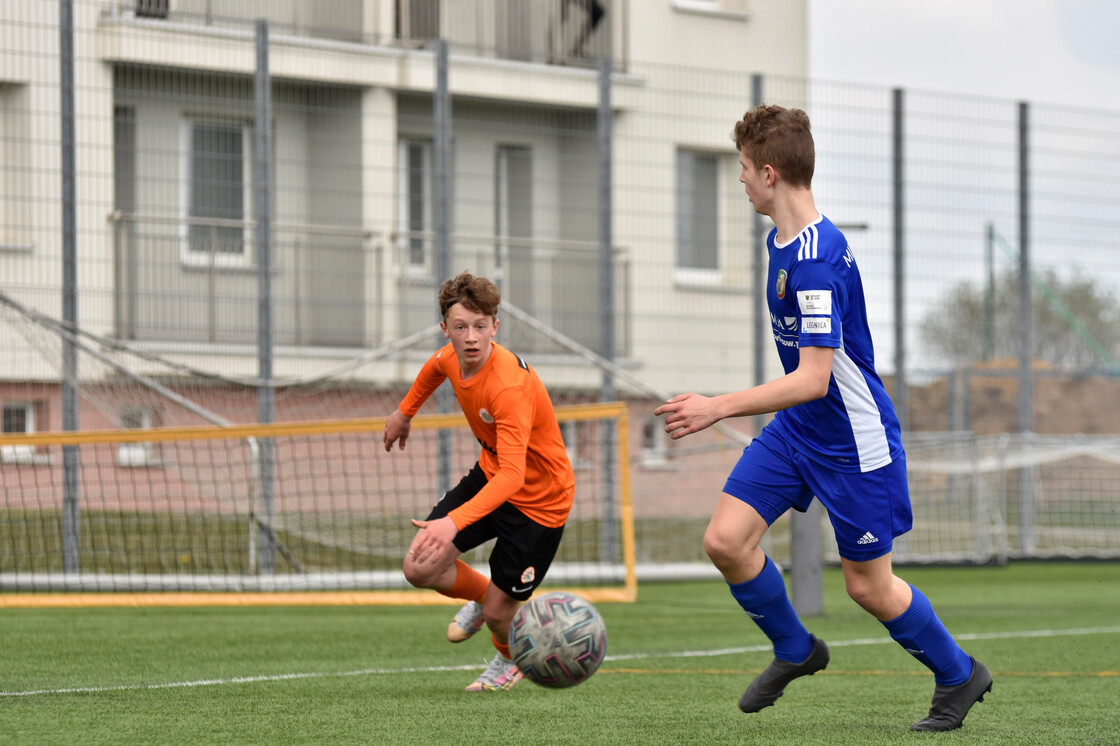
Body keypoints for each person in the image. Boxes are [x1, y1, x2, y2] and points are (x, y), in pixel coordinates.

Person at [655, 105, 993, 731]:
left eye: (742, 170)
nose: (739, 181)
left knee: (867, 588)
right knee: (725, 541)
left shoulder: (813, 260)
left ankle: (958, 674)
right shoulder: (780, 240)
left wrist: (716, 406)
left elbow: (813, 380)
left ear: (770, 172)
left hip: (851, 440)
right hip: (798, 432)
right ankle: (795, 649)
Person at [383, 271, 575, 692]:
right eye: (460, 327)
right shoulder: (451, 355)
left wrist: (453, 522)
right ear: (445, 329)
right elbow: (434, 368)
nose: (471, 337)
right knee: (420, 565)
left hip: (539, 505)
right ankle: (484, 597)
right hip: (492, 477)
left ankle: (512, 660)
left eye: (480, 326)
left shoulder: (508, 387)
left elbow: (514, 475)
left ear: (495, 326)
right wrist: (404, 412)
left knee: (500, 615)